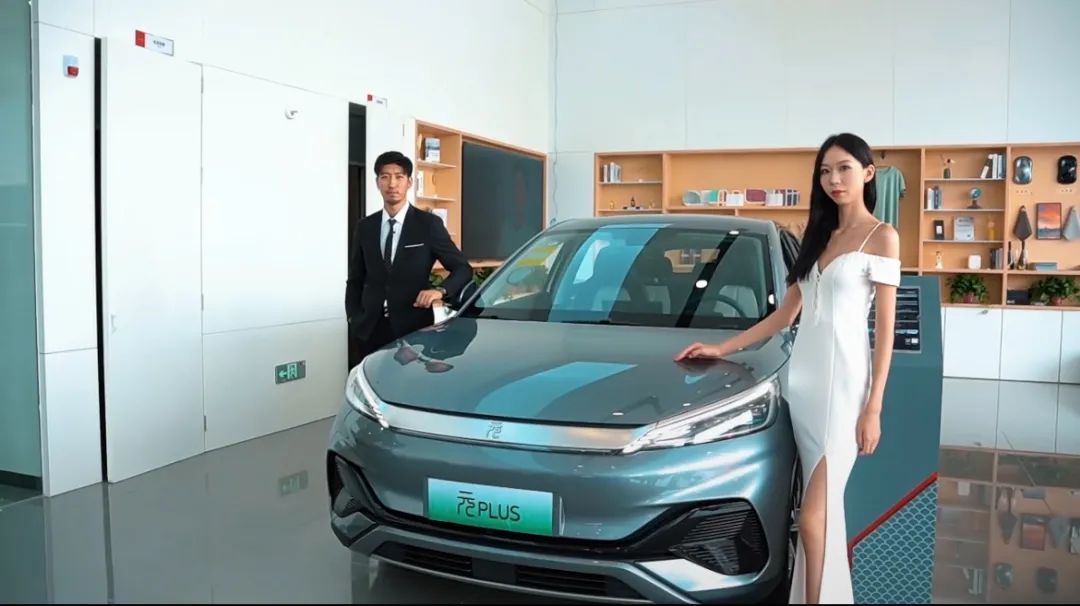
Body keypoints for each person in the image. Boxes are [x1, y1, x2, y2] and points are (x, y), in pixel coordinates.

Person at [674, 133, 900, 604]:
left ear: (867, 172)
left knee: (813, 519)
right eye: (825, 171)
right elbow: (785, 315)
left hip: (844, 390)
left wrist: (874, 406)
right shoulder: (820, 236)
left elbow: (885, 331)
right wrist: (721, 347)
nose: (834, 179)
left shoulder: (882, 237)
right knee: (818, 515)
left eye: (844, 168)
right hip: (804, 387)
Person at [345, 151, 473, 365]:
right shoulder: (365, 227)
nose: (392, 184)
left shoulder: (428, 224)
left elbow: (462, 268)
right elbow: (355, 278)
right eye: (385, 177)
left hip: (413, 329)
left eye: (399, 177)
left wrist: (440, 291)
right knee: (369, 380)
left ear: (409, 182)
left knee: (407, 381)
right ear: (377, 182)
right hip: (369, 329)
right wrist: (354, 319)